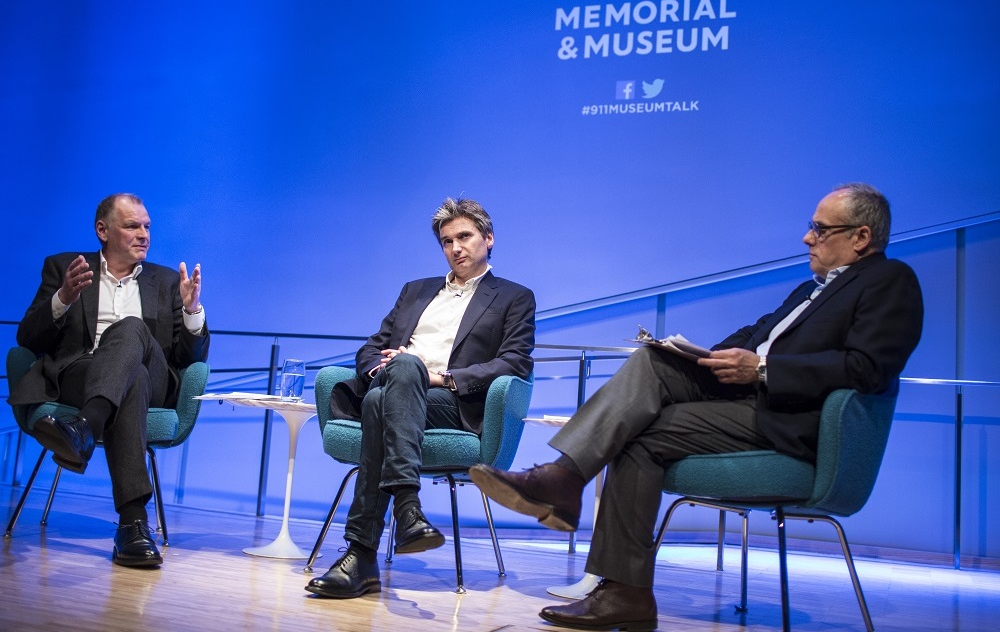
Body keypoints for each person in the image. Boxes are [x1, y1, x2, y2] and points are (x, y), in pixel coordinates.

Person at [470, 183, 923, 630]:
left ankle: (572, 498)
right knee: (651, 361)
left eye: (820, 229)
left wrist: (762, 369)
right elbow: (752, 335)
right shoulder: (809, 290)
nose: (808, 237)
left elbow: (867, 368)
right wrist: (698, 357)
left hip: (792, 421)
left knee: (638, 432)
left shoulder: (890, 281)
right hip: (747, 403)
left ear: (861, 237)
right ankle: (607, 562)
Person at [305, 197, 536, 599]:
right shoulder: (415, 291)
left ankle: (361, 553)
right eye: (447, 242)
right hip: (396, 386)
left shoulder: (514, 297)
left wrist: (442, 376)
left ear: (489, 238)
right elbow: (370, 348)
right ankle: (407, 512)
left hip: (449, 402)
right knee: (396, 378)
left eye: (464, 237)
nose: (455, 248)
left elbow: (514, 363)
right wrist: (384, 368)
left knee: (383, 399)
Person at [8, 193, 209, 568]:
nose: (144, 234)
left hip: (154, 382)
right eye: (132, 225)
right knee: (127, 381)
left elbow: (188, 360)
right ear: (103, 230)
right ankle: (133, 525)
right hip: (80, 374)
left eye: (147, 226)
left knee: (131, 331)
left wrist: (191, 309)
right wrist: (63, 298)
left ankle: (83, 428)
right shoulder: (65, 267)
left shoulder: (166, 282)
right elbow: (28, 340)